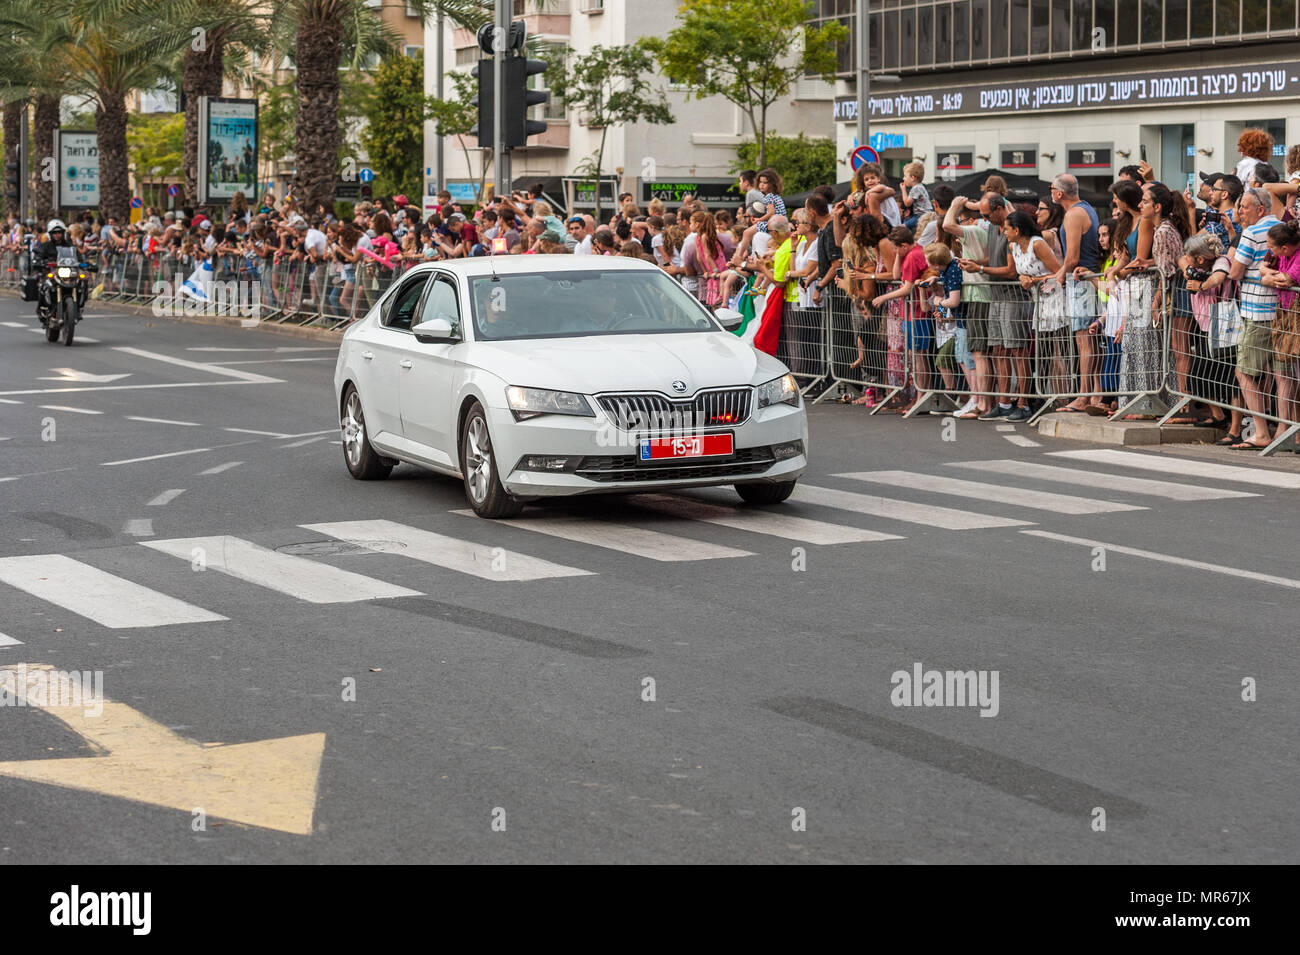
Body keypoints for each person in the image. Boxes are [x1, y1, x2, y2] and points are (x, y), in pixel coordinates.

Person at [1050, 173, 1104, 413]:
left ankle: (1084, 396)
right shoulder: (1087, 209)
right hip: (1086, 279)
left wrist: (1060, 274)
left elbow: (1071, 258)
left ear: (1059, 193)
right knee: (1089, 339)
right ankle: (1094, 393)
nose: (1051, 191)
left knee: (1084, 341)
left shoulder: (1073, 215)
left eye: (1052, 188)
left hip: (1081, 281)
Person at [900, 161, 932, 230]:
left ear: (913, 178)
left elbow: (907, 203)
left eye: (905, 176)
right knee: (906, 221)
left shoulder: (916, 188)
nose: (903, 178)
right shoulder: (920, 187)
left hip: (921, 215)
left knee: (902, 227)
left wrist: (903, 190)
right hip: (926, 214)